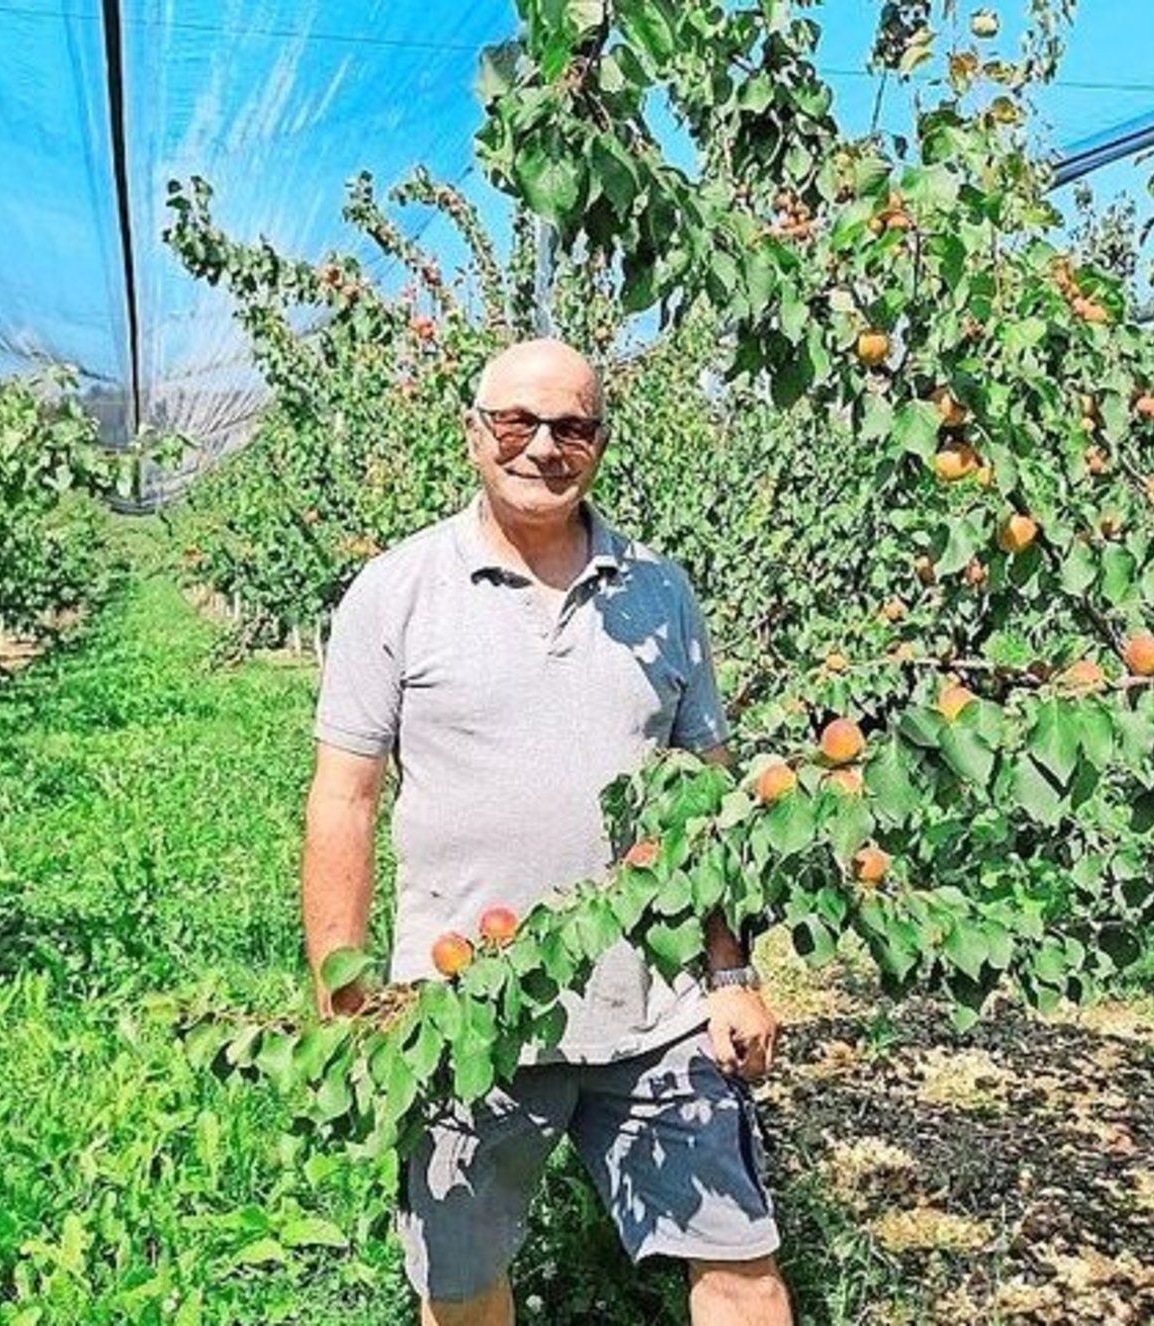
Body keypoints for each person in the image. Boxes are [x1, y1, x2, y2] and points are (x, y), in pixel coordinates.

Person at [302, 337, 794, 1326]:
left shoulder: (660, 592)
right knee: (461, 1283)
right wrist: (343, 995)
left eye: (571, 425)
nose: (542, 447)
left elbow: (705, 805)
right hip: (460, 1009)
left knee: (740, 1265)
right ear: (472, 433)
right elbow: (343, 798)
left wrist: (729, 976)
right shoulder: (395, 592)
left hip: (655, 1011)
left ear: (600, 442)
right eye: (516, 422)